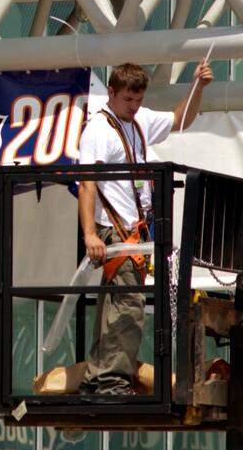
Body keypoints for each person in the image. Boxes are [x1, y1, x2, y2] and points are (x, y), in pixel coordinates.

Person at [76, 61, 213, 395]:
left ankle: (100, 376)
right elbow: (86, 185)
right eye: (127, 100)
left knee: (118, 304)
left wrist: (198, 87)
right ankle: (110, 379)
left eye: (137, 101)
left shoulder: (138, 121)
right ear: (111, 93)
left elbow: (180, 119)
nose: (133, 107)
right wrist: (90, 233)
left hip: (136, 232)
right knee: (128, 306)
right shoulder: (98, 131)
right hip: (116, 231)